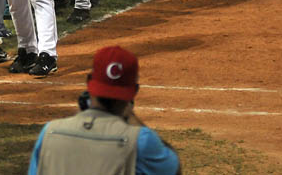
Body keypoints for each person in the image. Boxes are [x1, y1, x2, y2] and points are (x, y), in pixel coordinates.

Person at [28, 45, 180, 174]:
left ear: (89, 83)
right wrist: (132, 118)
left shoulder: (50, 132)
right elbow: (174, 170)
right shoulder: (141, 140)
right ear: (134, 91)